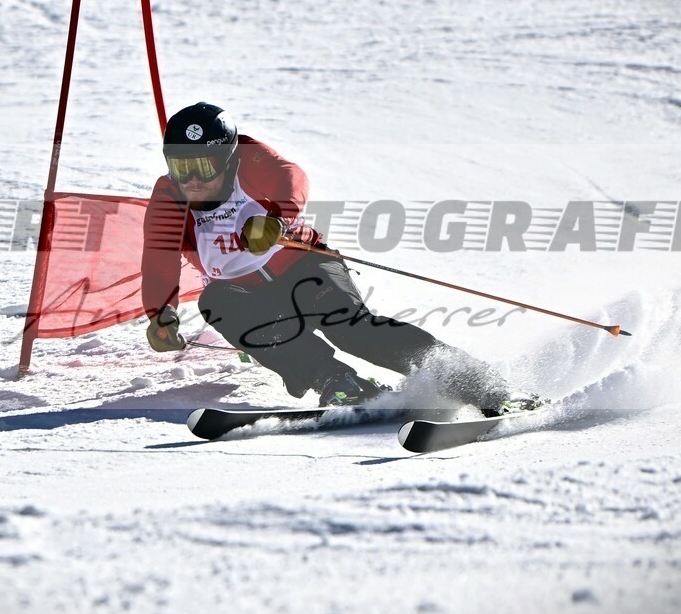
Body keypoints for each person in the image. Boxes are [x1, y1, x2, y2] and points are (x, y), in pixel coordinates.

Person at [141, 102, 518, 410]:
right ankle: (334, 380)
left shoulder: (250, 159)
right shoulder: (169, 197)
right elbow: (158, 256)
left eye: (202, 167)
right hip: (248, 296)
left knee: (350, 327)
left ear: (226, 159)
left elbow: (291, 175)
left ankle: (476, 382)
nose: (191, 180)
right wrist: (161, 314)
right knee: (216, 301)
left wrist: (276, 220)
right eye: (181, 167)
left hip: (304, 266)